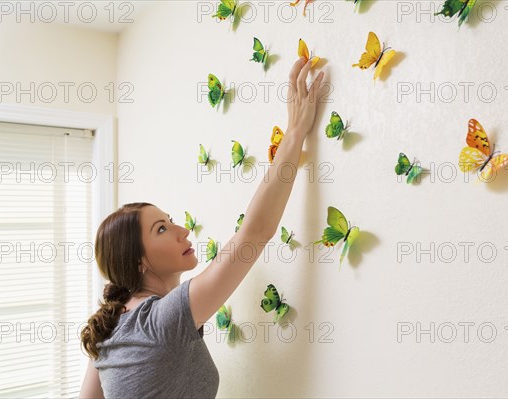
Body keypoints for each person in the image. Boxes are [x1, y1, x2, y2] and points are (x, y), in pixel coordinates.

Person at [78, 57, 326, 398]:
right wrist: (295, 131)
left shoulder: (110, 327)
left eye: (172, 221)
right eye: (162, 229)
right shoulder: (161, 320)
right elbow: (255, 233)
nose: (182, 231)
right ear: (139, 261)